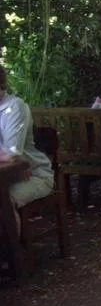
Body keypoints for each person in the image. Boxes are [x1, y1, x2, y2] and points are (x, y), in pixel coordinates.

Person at [0, 65, 54, 235]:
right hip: (10, 176)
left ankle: (13, 255)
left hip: (35, 176)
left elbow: (11, 156)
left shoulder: (14, 107)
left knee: (3, 200)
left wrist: (17, 161)